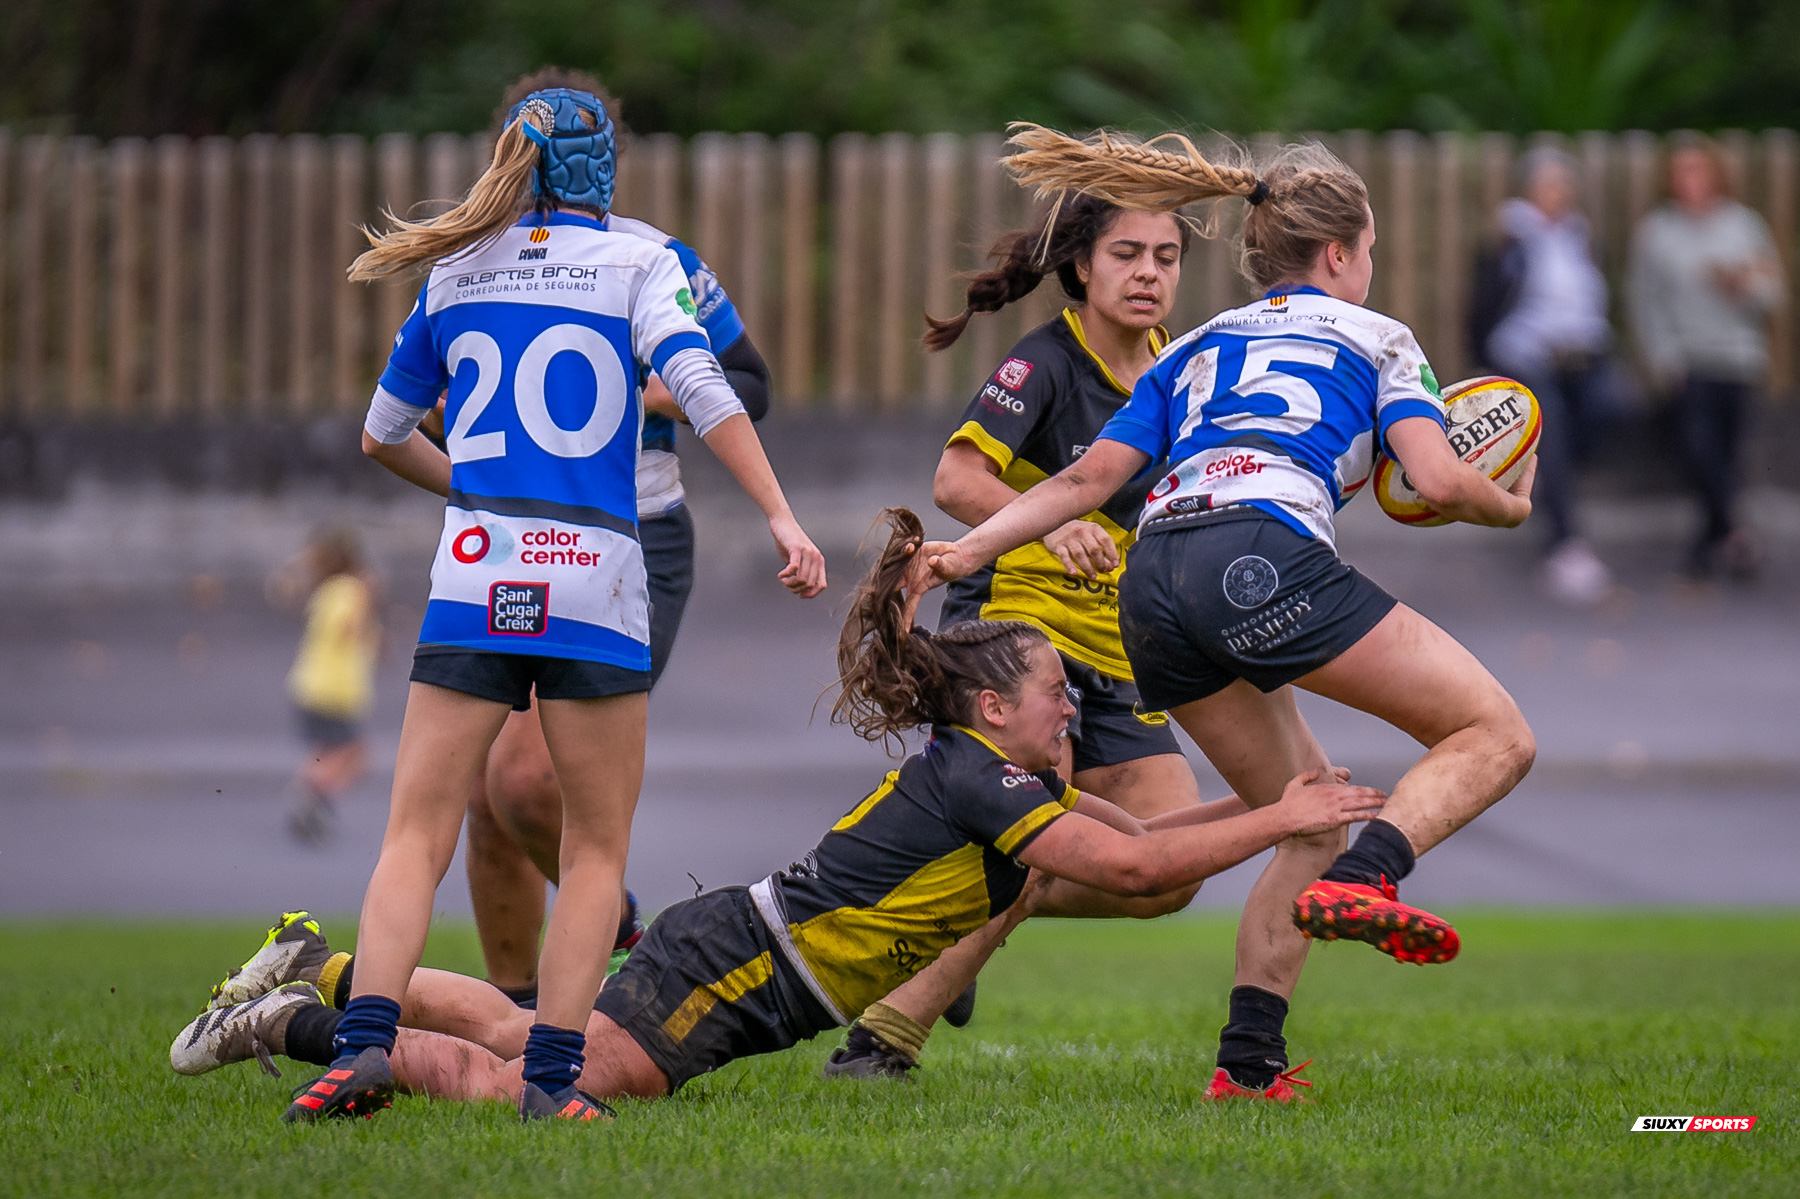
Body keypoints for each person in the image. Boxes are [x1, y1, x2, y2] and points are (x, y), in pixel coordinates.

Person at [170, 510, 1387, 1114]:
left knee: (517, 1020)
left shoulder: (1013, 778)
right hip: (744, 970)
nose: (1075, 710)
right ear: (999, 706)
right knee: (547, 1089)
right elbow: (1125, 877)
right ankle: (288, 1025)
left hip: (741, 957)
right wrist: (1285, 818)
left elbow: (1146, 845)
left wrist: (1278, 804)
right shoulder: (982, 778)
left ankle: (319, 968)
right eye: (1058, 692)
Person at [902, 126, 1538, 1100]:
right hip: (1261, 551)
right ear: (1339, 252)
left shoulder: (1197, 345)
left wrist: (967, 547)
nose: (1372, 266)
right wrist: (1514, 500)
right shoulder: (1380, 337)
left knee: (1303, 808)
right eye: (1370, 249)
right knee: (1494, 732)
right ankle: (1370, 874)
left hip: (1152, 579)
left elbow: (1087, 478)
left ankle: (1248, 1067)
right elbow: (1442, 478)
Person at [294, 81, 826, 1124]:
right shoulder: (640, 261)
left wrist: (478, 491)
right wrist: (782, 516)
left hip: (477, 570)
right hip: (596, 578)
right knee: (593, 847)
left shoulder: (454, 272)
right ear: (608, 168)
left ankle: (360, 1050)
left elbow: (379, 433)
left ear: (509, 158)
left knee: (417, 832)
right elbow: (715, 387)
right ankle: (550, 1081)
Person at [820, 192, 1216, 1077]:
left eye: (1166, 255)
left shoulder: (1178, 370)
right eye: (1127, 254)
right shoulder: (1044, 362)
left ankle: (968, 905)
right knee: (1042, 837)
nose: (1149, 273)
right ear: (1081, 267)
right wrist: (1046, 523)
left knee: (1171, 863)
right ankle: (882, 1039)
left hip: (1120, 654)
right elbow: (956, 479)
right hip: (1018, 635)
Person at [455, 69, 779, 1008]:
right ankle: (509, 1015)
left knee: (522, 778)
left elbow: (749, 382)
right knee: (485, 794)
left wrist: (650, 389)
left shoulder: (651, 259)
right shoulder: (477, 264)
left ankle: (631, 924)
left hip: (631, 539)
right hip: (511, 540)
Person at [1629, 133, 1785, 580]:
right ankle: (1733, 534)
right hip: (1688, 359)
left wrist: (1743, 286)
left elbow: (1772, 293)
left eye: (1697, 170)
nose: (1689, 180)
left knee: (1727, 454)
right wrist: (1662, 357)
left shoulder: (1742, 225)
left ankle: (1708, 542)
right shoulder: (1658, 230)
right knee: (1699, 450)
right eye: (1680, 172)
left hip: (1737, 357)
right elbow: (1646, 302)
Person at [1470, 146, 1615, 605]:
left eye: (1564, 185)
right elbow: (1480, 307)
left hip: (1581, 354)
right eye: (1549, 185)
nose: (1559, 193)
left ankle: (1559, 483)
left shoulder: (1579, 236)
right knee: (1546, 426)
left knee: (1617, 406)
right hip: (1523, 354)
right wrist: (1480, 358)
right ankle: (1565, 544)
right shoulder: (1509, 238)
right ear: (1530, 191)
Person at [275, 527, 382, 842]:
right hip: (334, 689)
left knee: (325, 751)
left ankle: (312, 798)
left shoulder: (326, 590)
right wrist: (369, 599)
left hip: (311, 684)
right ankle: (310, 794)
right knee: (355, 755)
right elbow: (347, 629)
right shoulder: (351, 590)